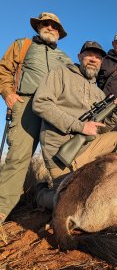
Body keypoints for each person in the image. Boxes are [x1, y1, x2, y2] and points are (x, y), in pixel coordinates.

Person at [32, 41, 117, 210]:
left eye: (98, 57)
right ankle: (41, 195)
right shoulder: (61, 73)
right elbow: (40, 104)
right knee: (71, 204)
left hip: (86, 149)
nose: (94, 60)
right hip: (60, 154)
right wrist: (80, 127)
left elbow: (102, 128)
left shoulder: (98, 93)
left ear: (101, 62)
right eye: (89, 55)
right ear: (80, 56)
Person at [0, 12, 71, 224]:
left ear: (59, 32)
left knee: (63, 157)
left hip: (55, 108)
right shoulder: (23, 45)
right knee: (18, 157)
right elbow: (4, 70)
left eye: (55, 26)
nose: (50, 28)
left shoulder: (64, 58)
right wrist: (8, 94)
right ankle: (2, 210)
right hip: (26, 104)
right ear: (39, 26)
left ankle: (65, 206)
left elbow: (78, 81)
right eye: (46, 24)